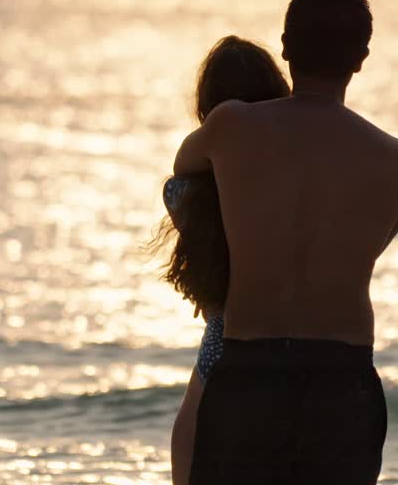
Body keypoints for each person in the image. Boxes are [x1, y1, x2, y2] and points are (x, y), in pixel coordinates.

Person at [173, 0, 398, 484]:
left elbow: (184, 169)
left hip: (248, 376)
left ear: (285, 48)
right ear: (362, 58)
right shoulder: (396, 161)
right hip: (343, 382)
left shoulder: (233, 125)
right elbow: (375, 243)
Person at [146, 35, 291, 485]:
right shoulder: (300, 186)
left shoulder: (188, 197)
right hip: (300, 355)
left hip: (219, 359)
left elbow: (182, 168)